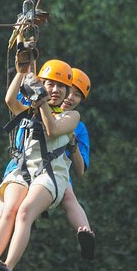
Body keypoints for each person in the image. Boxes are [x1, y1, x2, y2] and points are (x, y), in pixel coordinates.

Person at [0, 56, 79, 271]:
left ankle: (7, 268)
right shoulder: (30, 109)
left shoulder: (70, 117)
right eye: (50, 84)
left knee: (24, 212)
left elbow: (51, 131)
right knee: (8, 210)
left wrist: (41, 103)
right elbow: (10, 100)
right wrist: (22, 71)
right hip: (24, 169)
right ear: (42, 84)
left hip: (48, 174)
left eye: (61, 86)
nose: (55, 90)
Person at [58, 68, 95, 260]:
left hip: (57, 171)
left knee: (68, 195)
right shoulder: (38, 106)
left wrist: (73, 143)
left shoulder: (79, 127)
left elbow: (80, 170)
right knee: (8, 211)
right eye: (69, 90)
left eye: (77, 95)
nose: (70, 98)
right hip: (28, 165)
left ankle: (85, 233)